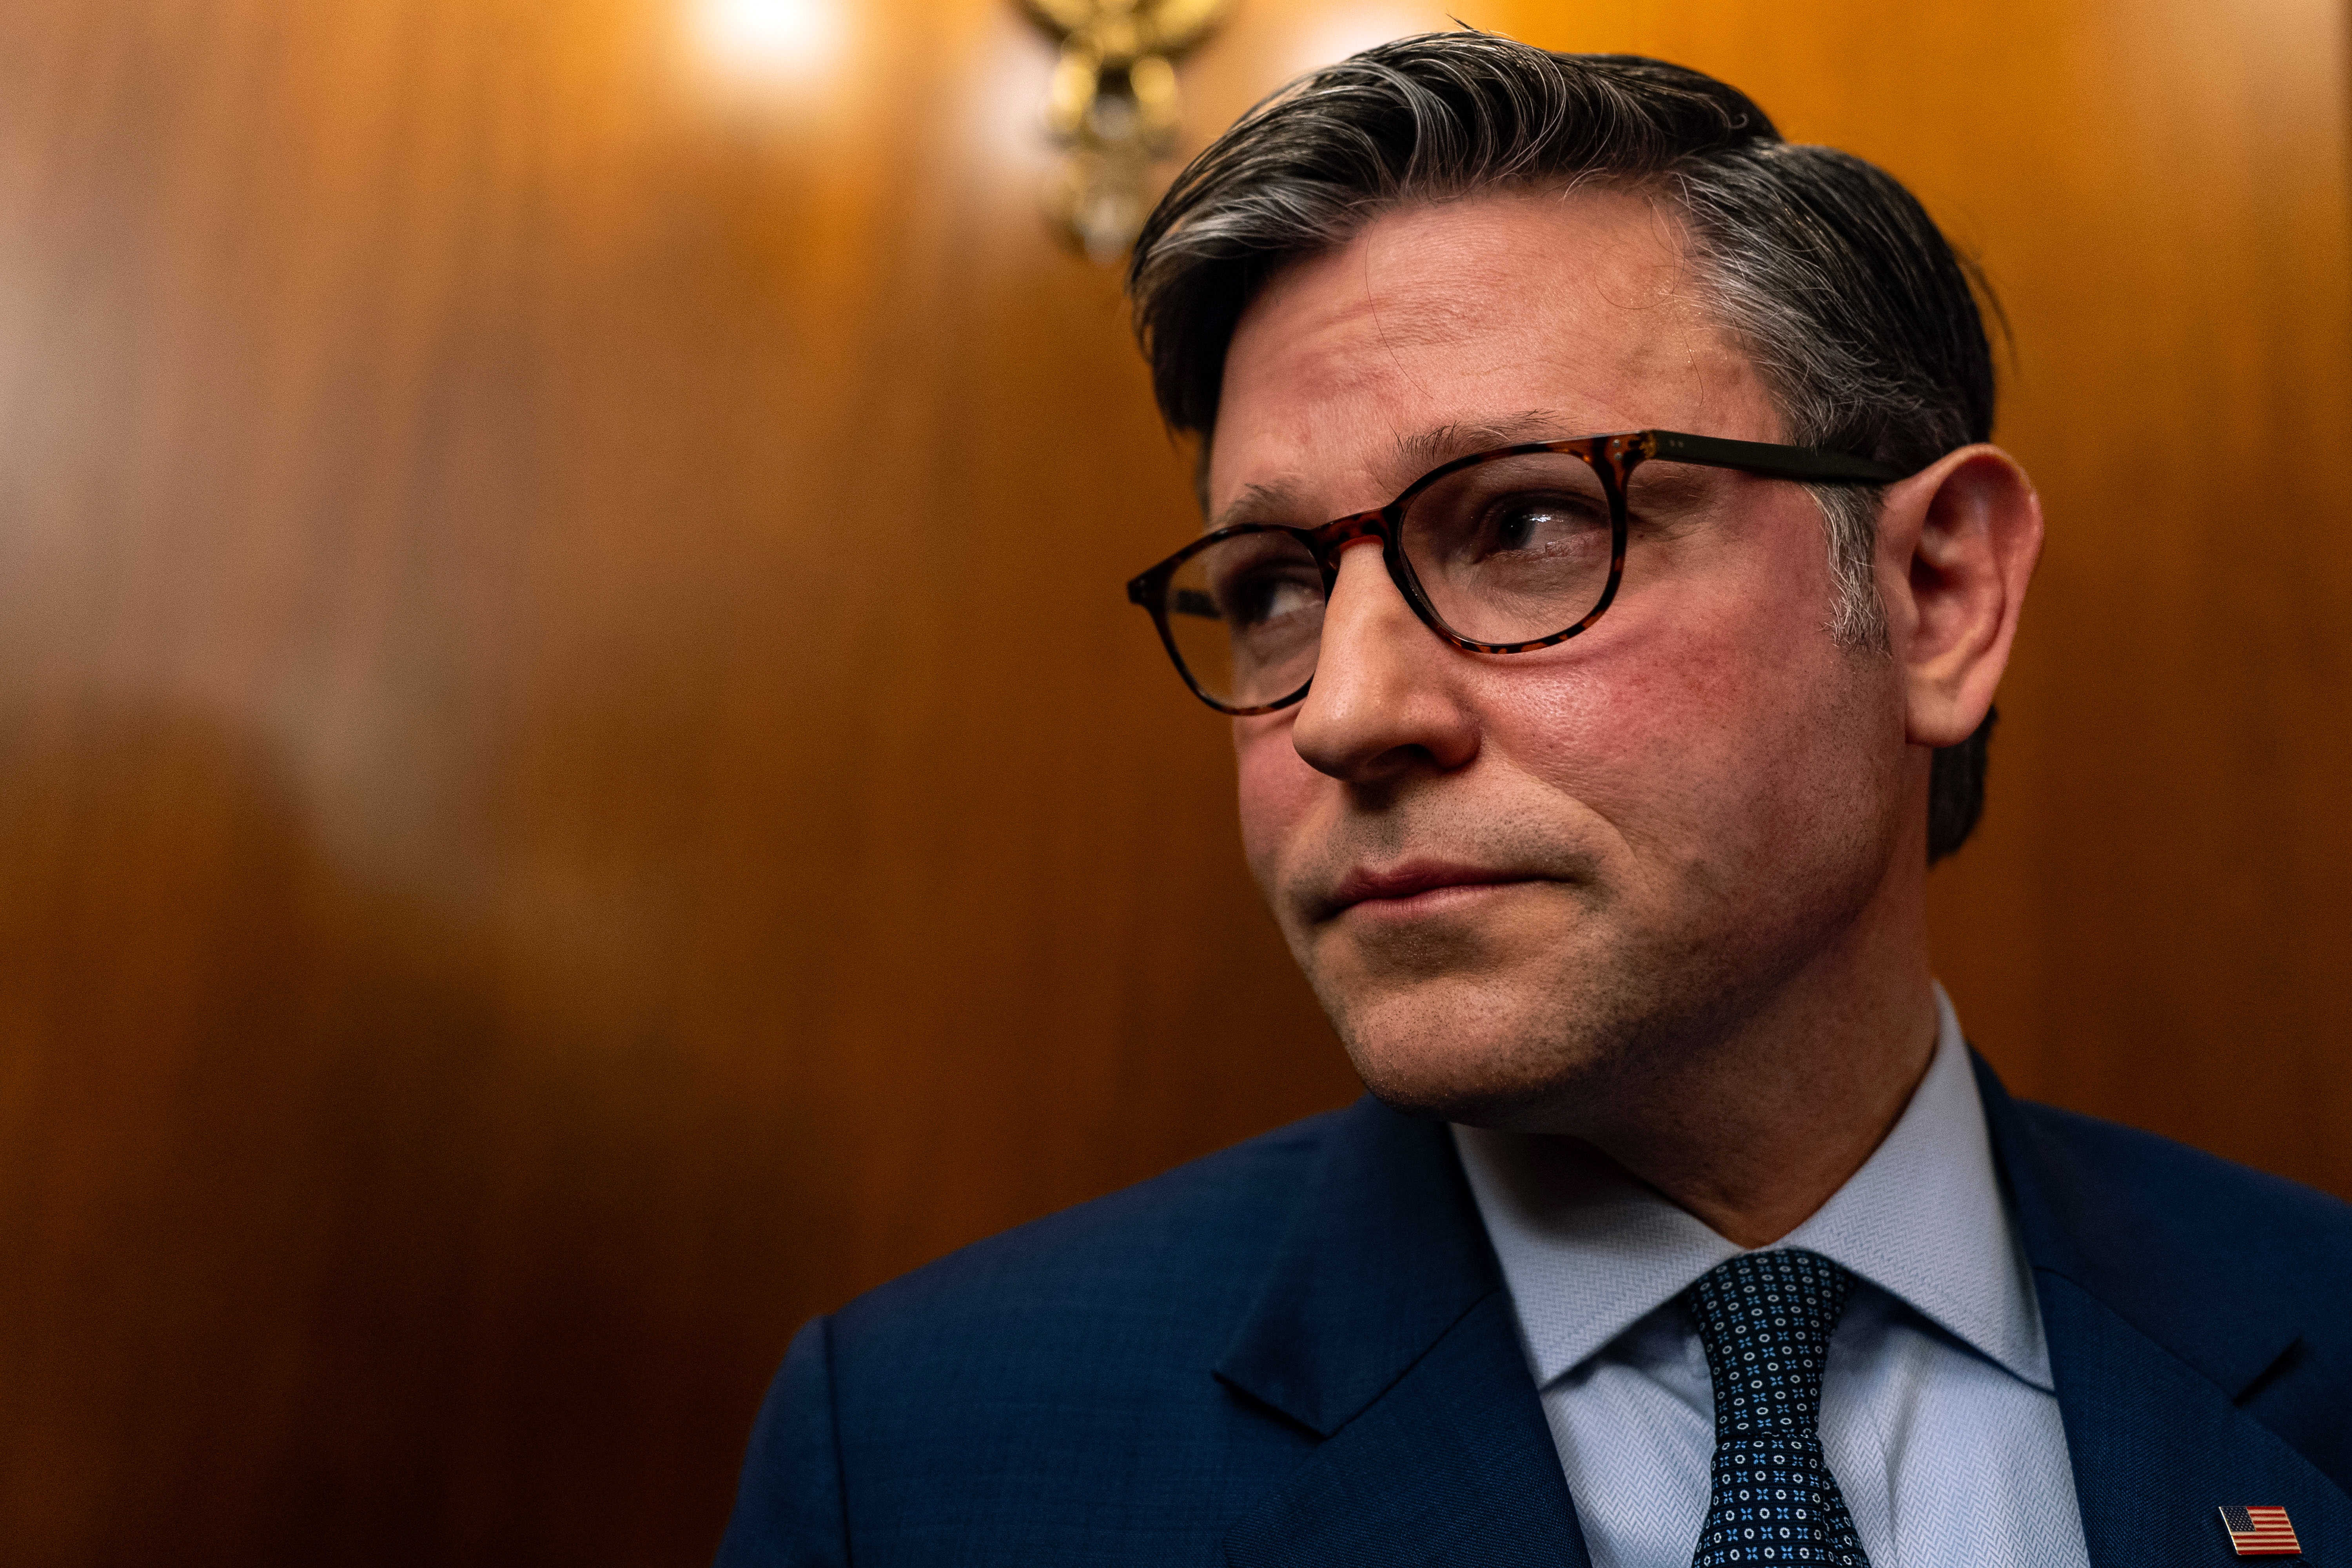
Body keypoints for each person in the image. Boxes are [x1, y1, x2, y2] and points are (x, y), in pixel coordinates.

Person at [718, 35, 2352, 1568]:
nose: (1347, 711)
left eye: (1524, 527)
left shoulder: (2313, 1331)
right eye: (1275, 585)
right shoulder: (926, 1463)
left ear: (1933, 597)